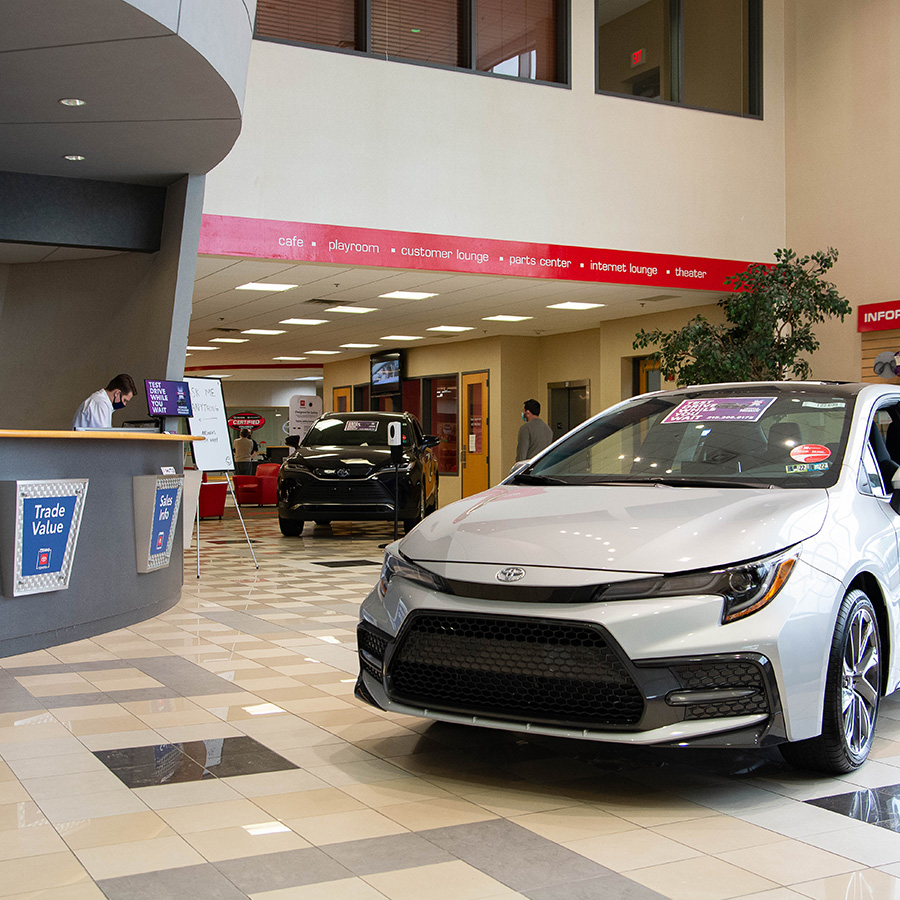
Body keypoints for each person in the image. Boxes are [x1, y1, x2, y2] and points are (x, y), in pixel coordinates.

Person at [71, 374, 136, 429]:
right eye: (124, 400)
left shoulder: (103, 403)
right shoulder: (100, 404)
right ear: (117, 393)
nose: (124, 404)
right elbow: (102, 437)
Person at [515, 398, 553, 465]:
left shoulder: (525, 428)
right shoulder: (548, 429)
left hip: (530, 468)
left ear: (528, 413)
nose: (523, 414)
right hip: (543, 467)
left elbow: (521, 455)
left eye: (523, 411)